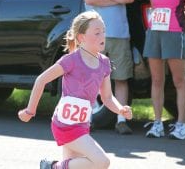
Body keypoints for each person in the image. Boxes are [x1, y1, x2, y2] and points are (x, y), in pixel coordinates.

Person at [18, 11, 132, 169]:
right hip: (64, 124)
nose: (102, 36)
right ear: (81, 37)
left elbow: (107, 97)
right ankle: (53, 166)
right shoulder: (71, 60)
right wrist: (30, 111)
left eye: (104, 31)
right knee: (102, 162)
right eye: (97, 33)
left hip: (82, 124)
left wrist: (121, 109)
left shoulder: (104, 63)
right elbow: (41, 80)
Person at [79, 0, 136, 134]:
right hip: (93, 33)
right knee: (89, 78)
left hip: (119, 34)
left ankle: (122, 120)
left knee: (121, 78)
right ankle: (87, 119)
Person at [143, 0, 185, 139]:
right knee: (157, 80)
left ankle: (181, 126)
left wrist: (179, 28)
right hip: (154, 33)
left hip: (174, 34)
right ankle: (157, 124)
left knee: (178, 80)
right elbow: (154, 6)